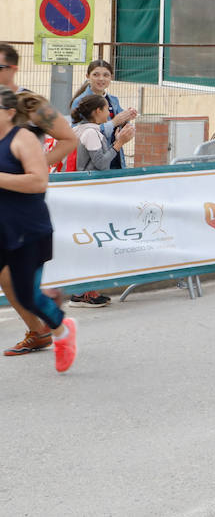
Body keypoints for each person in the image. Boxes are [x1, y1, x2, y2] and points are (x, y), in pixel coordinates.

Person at [0, 45, 90, 325]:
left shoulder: (30, 103)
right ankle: (41, 319)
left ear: (12, 69)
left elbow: (69, 139)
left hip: (20, 200)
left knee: (11, 276)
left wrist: (39, 167)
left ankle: (44, 323)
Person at [0, 85, 78, 371]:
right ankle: (39, 319)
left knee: (25, 293)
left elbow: (67, 141)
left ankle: (54, 326)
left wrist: (28, 167)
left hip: (25, 220)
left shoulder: (27, 116)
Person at [69, 58, 137, 169]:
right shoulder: (80, 101)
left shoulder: (113, 100)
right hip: (93, 162)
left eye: (106, 75)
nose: (101, 79)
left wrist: (127, 118)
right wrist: (114, 122)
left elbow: (120, 126)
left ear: (111, 77)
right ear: (87, 76)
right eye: (96, 74)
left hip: (114, 156)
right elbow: (79, 132)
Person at [72, 94, 135, 171]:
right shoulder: (91, 133)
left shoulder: (79, 129)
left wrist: (116, 142)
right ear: (99, 111)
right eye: (107, 109)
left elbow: (99, 157)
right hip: (89, 181)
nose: (109, 113)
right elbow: (101, 164)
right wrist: (119, 144)